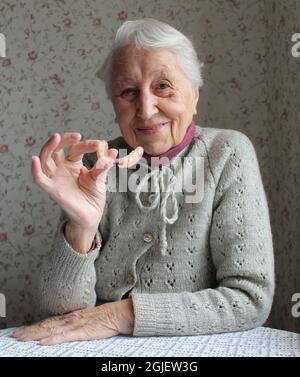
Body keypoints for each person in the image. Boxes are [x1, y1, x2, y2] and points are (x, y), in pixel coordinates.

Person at [12, 18, 274, 346]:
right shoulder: (95, 165)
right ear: (114, 103)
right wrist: (81, 227)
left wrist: (119, 314)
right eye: (128, 92)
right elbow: (61, 310)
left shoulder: (227, 154)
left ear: (194, 94)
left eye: (163, 86)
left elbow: (248, 299)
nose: (146, 110)